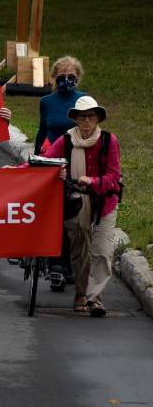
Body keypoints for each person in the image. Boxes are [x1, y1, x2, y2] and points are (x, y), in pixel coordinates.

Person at [42, 96, 121, 319]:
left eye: (91, 116)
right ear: (75, 118)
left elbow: (114, 177)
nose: (86, 120)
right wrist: (18, 170)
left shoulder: (108, 140)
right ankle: (80, 293)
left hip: (105, 202)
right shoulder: (66, 140)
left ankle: (94, 298)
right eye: (82, 116)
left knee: (102, 251)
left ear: (98, 118)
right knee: (80, 252)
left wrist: (93, 182)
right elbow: (45, 162)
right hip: (76, 202)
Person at [37, 56, 87, 151]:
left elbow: (92, 131)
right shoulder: (46, 102)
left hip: (78, 153)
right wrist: (36, 156)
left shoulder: (84, 99)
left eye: (71, 76)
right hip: (52, 154)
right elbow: (42, 132)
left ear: (77, 77)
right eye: (62, 76)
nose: (66, 79)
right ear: (54, 77)